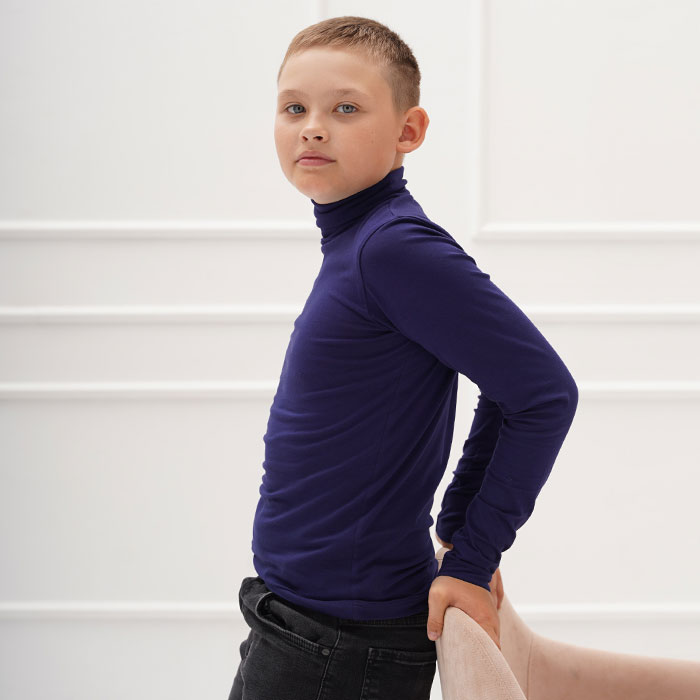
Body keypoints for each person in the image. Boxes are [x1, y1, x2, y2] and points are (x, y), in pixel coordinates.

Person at [228, 15, 578, 700]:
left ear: (408, 131)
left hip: (339, 644)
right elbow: (507, 387)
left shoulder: (393, 248)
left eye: (345, 109)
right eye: (294, 108)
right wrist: (457, 526)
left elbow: (541, 394)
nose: (313, 128)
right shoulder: (360, 241)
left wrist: (470, 557)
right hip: (302, 622)